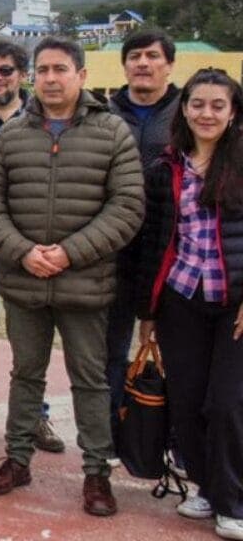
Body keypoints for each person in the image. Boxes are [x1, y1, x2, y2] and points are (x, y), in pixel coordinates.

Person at [0, 37, 144, 517]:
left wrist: (68, 253)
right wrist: (23, 252)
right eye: (44, 69)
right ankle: (18, 460)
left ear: (82, 76)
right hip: (25, 281)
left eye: (61, 69)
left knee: (89, 379)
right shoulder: (11, 135)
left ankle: (96, 473)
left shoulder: (112, 133)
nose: (51, 78)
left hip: (85, 283)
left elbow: (127, 207)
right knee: (24, 374)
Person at [133, 69, 243, 537]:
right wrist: (148, 312)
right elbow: (152, 243)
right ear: (185, 109)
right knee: (187, 401)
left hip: (233, 306)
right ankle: (203, 485)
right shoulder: (166, 167)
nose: (207, 113)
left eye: (218, 105)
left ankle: (233, 500)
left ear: (234, 112)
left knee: (227, 404)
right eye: (197, 104)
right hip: (181, 300)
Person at [0, 40, 64, 453]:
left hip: (30, 245)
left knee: (31, 339)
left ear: (22, 74)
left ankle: (33, 416)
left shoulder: (45, 118)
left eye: (6, 70)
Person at [106, 29, 180, 437]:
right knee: (111, 351)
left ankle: (177, 440)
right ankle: (111, 433)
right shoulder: (104, 113)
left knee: (175, 351)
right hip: (116, 250)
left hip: (172, 250)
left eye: (152, 56)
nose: (143, 64)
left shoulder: (188, 111)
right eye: (135, 56)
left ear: (169, 64)